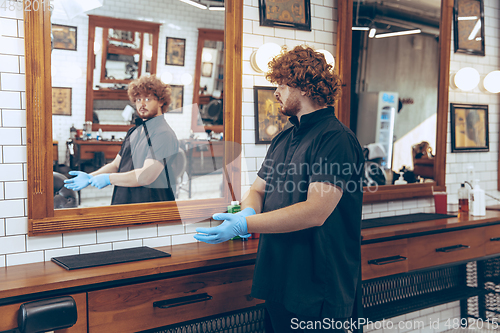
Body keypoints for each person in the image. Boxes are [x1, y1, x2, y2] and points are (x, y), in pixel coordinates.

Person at [194, 45, 364, 332]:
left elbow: (315, 212)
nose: (276, 93)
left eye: (283, 85)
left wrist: (245, 223)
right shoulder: (283, 138)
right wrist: (248, 209)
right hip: (279, 276)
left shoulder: (336, 139)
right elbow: (259, 189)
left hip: (318, 284)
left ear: (306, 88)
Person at [64, 75, 179, 205]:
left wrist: (109, 179)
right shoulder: (134, 132)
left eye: (147, 99)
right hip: (123, 202)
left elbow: (146, 176)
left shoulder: (163, 134)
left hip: (149, 207)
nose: (142, 104)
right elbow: (116, 165)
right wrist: (91, 177)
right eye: (138, 99)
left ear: (161, 101)